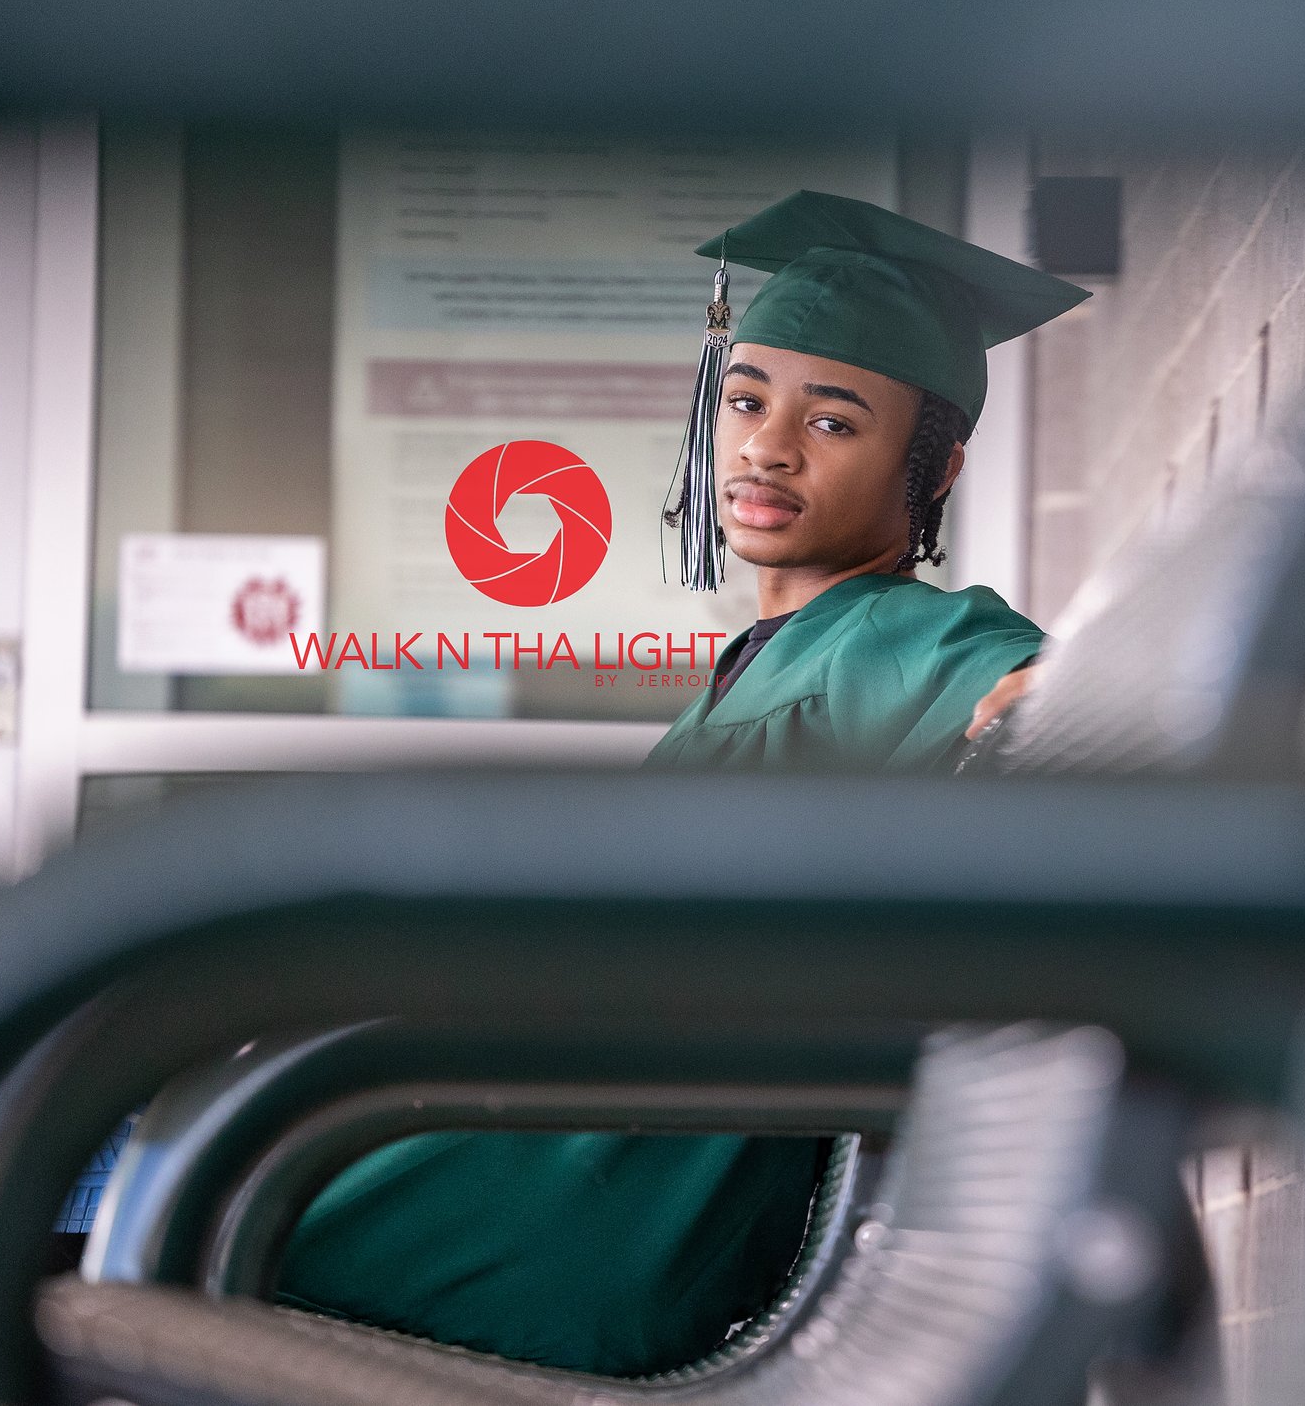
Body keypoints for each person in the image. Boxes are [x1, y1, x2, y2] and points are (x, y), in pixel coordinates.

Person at [273, 190, 1087, 1374]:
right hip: (546, 1138)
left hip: (588, 1196)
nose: (766, 444)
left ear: (940, 464)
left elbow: (1045, 698)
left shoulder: (903, 635)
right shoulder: (754, 663)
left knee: (89, 1153)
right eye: (748, 399)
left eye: (836, 420)